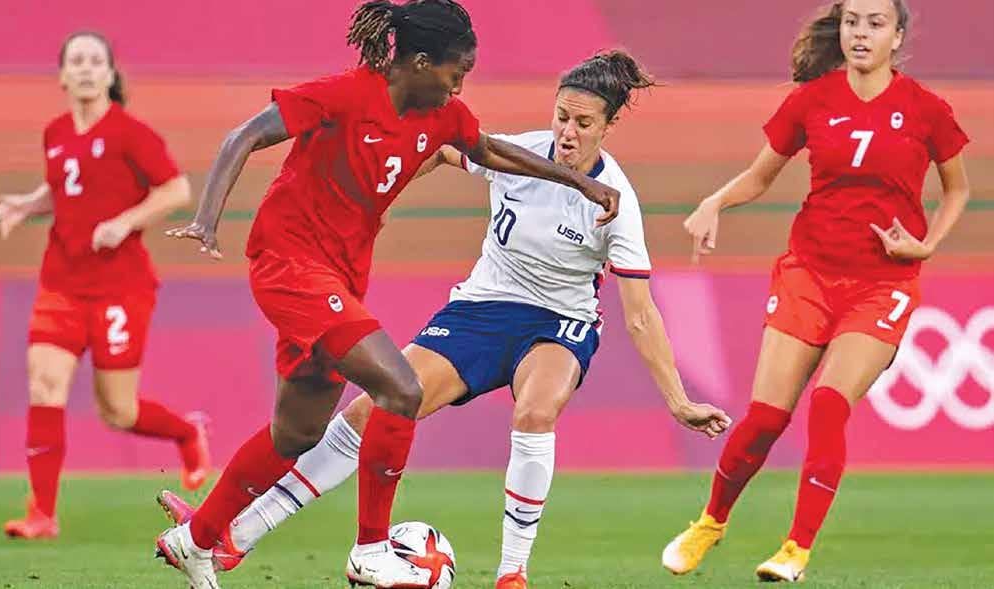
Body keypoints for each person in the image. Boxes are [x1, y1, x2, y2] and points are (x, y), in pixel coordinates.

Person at [156, 50, 731, 589]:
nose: (567, 132)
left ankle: (512, 572)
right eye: (562, 117)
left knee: (535, 411)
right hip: (481, 309)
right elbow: (440, 148)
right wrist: (375, 193)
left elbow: (640, 314)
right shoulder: (521, 154)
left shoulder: (616, 201)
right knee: (371, 410)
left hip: (558, 322)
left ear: (607, 127)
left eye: (584, 123)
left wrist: (677, 400)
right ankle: (234, 537)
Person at [660, 0, 971, 581]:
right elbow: (760, 176)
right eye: (853, 21)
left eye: (876, 23)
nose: (861, 33)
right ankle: (710, 523)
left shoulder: (926, 109)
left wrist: (927, 244)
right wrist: (714, 202)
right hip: (808, 272)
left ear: (897, 35)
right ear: (841, 28)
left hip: (882, 283)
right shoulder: (812, 100)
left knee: (828, 406)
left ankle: (795, 549)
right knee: (764, 419)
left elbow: (958, 190)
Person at [0, 31, 210, 540]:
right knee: (44, 384)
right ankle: (42, 514)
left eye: (95, 61)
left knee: (118, 411)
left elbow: (177, 189)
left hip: (120, 288)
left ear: (110, 74)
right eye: (77, 61)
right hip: (61, 282)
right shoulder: (54, 132)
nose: (86, 69)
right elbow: (67, 186)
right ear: (63, 76)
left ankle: (187, 432)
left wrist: (126, 222)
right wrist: (28, 204)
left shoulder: (131, 133)